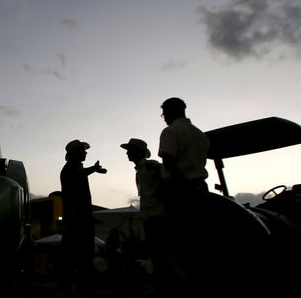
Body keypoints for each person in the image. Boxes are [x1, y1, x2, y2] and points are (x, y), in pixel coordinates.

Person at [157, 97, 210, 284]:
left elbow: (168, 160)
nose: (163, 118)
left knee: (179, 237)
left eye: (163, 114)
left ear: (169, 112)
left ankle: (183, 279)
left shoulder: (170, 131)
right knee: (199, 235)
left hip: (180, 189)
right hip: (201, 188)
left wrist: (181, 183)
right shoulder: (200, 134)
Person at [121, 138, 184, 292]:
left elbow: (166, 182)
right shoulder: (141, 169)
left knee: (162, 255)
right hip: (151, 216)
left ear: (138, 152)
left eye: (130, 149)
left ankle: (173, 285)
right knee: (158, 255)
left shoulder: (151, 166)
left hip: (157, 216)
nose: (127, 153)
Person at [60, 139, 106, 287]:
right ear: (75, 153)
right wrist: (93, 169)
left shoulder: (75, 168)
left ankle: (77, 279)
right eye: (83, 150)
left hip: (78, 216)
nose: (85, 152)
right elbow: (79, 174)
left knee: (76, 248)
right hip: (77, 217)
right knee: (79, 248)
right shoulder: (71, 169)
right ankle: (80, 279)